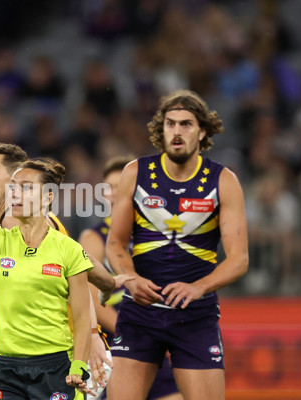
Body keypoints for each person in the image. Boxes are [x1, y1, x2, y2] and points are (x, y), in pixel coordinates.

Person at [105, 90, 249, 399]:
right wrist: (130, 279)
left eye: (186, 124)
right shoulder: (135, 173)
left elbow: (239, 259)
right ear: (162, 129)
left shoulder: (223, 181)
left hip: (195, 315)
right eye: (170, 124)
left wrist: (198, 287)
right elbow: (115, 243)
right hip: (139, 314)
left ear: (202, 131)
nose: (177, 132)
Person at [0, 123, 98, 398]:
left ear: (47, 197)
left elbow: (80, 308)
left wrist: (85, 353)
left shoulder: (63, 247)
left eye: (25, 188)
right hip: (6, 368)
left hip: (56, 365)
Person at [0, 141, 132, 390]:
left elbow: (74, 269)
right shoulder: (28, 219)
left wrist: (91, 335)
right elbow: (81, 259)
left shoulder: (16, 223)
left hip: (61, 354)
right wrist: (107, 283)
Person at [79, 156, 182, 400]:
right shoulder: (94, 238)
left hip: (149, 332)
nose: (114, 193)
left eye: (121, 186)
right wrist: (133, 330)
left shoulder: (154, 234)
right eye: (109, 188)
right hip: (113, 338)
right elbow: (91, 301)